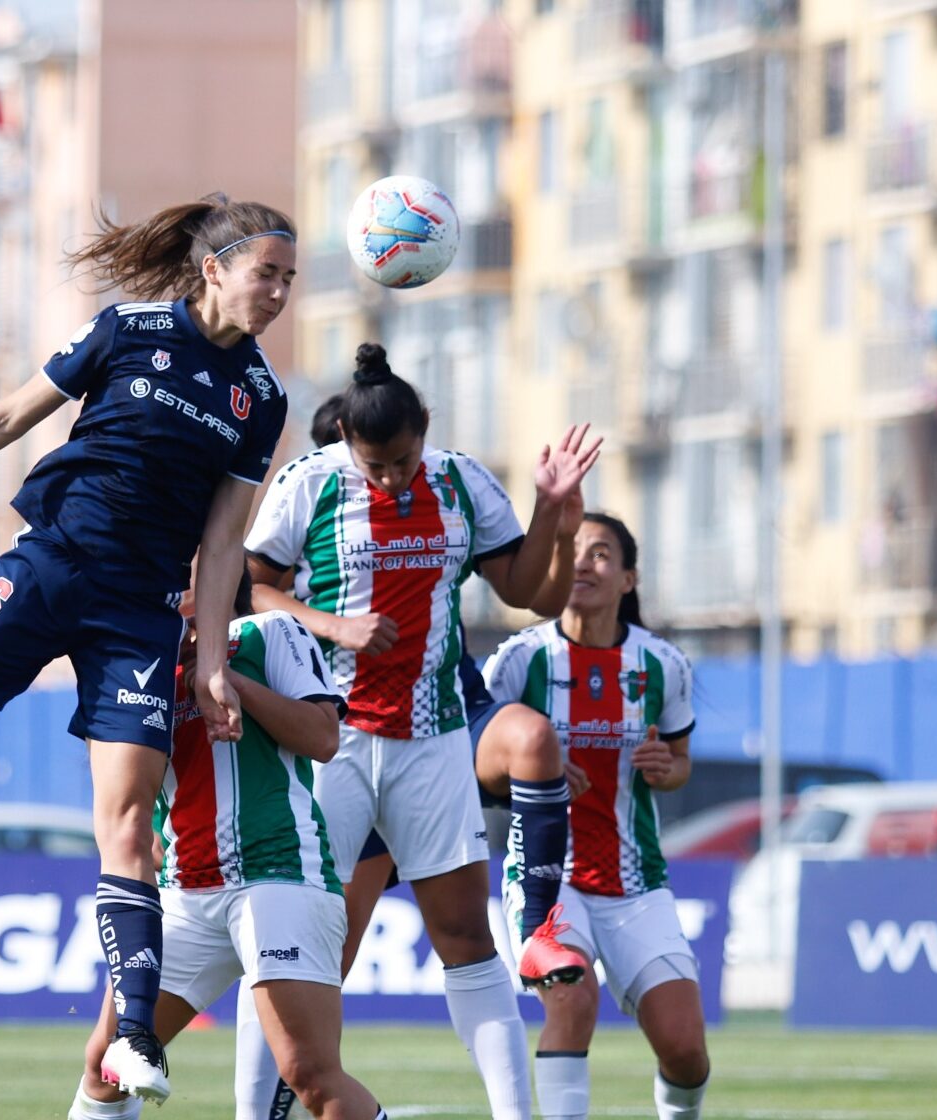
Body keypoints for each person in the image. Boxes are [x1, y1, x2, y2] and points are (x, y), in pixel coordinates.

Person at [0, 193, 297, 1103]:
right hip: (45, 571)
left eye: (289, 282)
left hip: (141, 616)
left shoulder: (260, 399)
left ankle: (136, 1036)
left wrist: (214, 659)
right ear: (214, 269)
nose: (278, 294)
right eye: (267, 274)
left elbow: (224, 542)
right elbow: (9, 416)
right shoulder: (126, 329)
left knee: (128, 822)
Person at [241, 343, 599, 1120]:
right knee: (292, 945)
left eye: (401, 461)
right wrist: (330, 624)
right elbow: (255, 587)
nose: (390, 478)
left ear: (424, 431)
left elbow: (528, 592)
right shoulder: (307, 484)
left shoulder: (463, 481)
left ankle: (515, 1115)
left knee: (466, 933)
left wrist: (553, 516)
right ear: (346, 446)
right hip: (330, 741)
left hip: (433, 741)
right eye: (373, 465)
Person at [69, 572, 386, 1120]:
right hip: (185, 893)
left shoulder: (269, 631)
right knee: (107, 1065)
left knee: (310, 1074)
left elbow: (323, 737)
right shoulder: (138, 659)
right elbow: (114, 775)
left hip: (279, 875)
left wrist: (230, 682)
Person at [482, 512, 707, 1120]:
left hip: (636, 885)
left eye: (602, 553)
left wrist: (668, 765)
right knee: (572, 1001)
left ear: (629, 577)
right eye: (574, 551)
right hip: (546, 880)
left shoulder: (663, 664)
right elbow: (475, 766)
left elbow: (681, 761)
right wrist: (534, 776)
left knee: (687, 1052)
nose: (584, 563)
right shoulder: (518, 661)